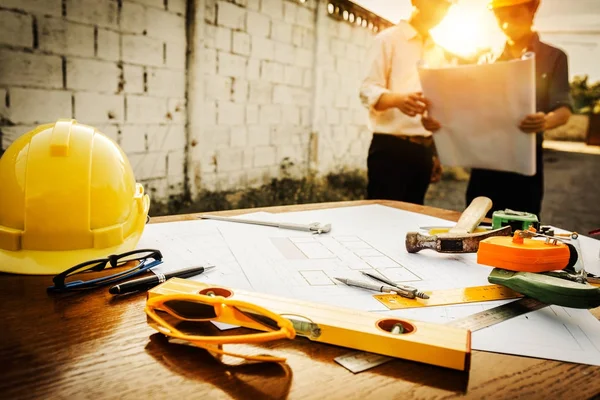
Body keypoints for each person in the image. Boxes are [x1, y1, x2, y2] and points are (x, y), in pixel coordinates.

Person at [423, 0, 573, 218]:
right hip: (484, 166)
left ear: (532, 10)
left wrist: (545, 121)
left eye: (513, 15)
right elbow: (468, 110)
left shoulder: (554, 57)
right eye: (500, 17)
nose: (505, 24)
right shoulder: (486, 60)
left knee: (519, 234)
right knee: (476, 229)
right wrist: (441, 122)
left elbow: (563, 109)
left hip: (524, 167)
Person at [359, 0, 455, 205]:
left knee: (412, 224)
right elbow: (367, 90)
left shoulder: (437, 52)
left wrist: (436, 152)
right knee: (380, 223)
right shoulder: (387, 40)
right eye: (437, 3)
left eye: (447, 5)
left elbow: (438, 106)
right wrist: (398, 100)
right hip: (390, 150)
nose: (441, 11)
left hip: (423, 153)